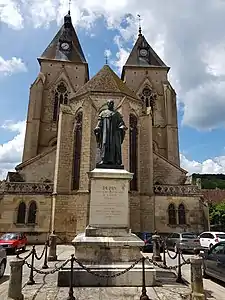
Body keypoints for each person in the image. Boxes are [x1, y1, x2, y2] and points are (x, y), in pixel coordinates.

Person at [94, 100, 127, 168]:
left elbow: (121, 122)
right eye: (110, 103)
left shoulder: (117, 114)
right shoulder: (103, 113)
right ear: (107, 104)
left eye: (112, 103)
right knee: (104, 144)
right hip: (105, 133)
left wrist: (122, 126)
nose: (111, 104)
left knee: (114, 146)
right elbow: (99, 123)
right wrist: (97, 127)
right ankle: (103, 160)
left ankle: (116, 161)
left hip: (114, 134)